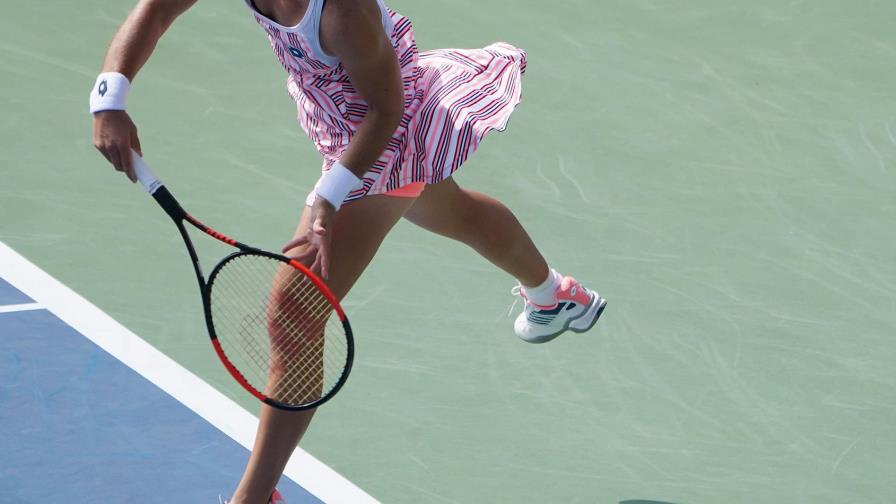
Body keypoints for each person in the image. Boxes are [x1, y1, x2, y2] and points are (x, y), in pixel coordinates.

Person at [90, 0, 607, 502]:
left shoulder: (342, 10)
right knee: (455, 213)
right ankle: (554, 295)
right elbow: (158, 8)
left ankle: (253, 498)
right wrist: (108, 99)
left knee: (294, 315)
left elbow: (388, 110)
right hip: (342, 126)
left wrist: (329, 200)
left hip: (385, 136)